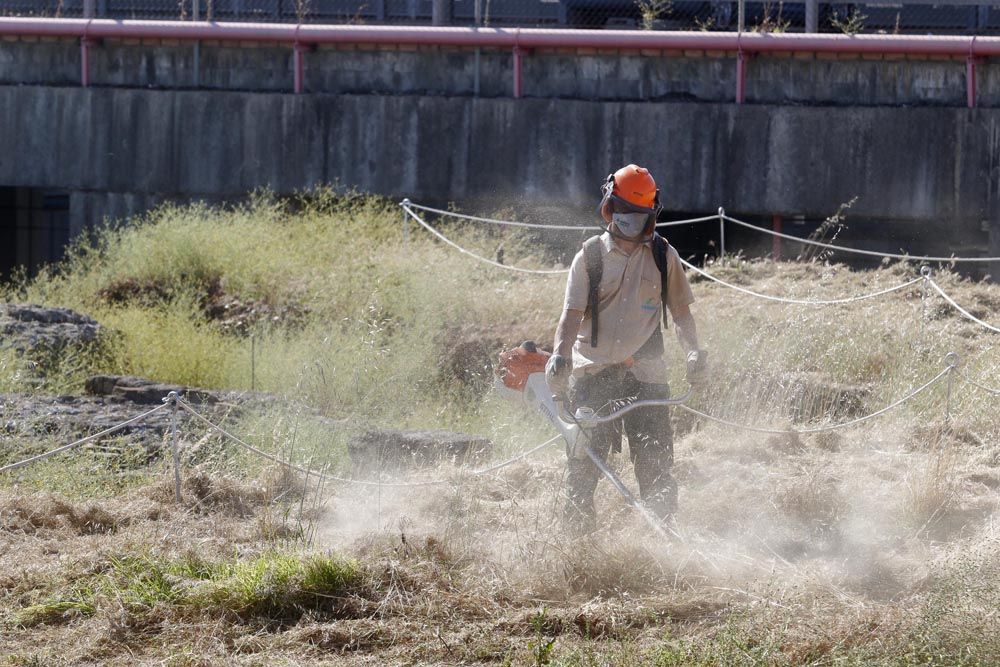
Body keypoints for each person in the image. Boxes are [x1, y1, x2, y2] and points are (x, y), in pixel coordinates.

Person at [545, 164, 707, 534]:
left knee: (656, 466)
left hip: (647, 378)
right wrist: (560, 356)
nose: (627, 224)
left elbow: (681, 314)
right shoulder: (590, 257)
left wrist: (694, 352)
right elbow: (569, 317)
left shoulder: (664, 257)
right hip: (593, 375)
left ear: (650, 216)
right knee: (583, 469)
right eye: (621, 214)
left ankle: (661, 541)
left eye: (635, 218)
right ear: (609, 207)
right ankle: (576, 546)